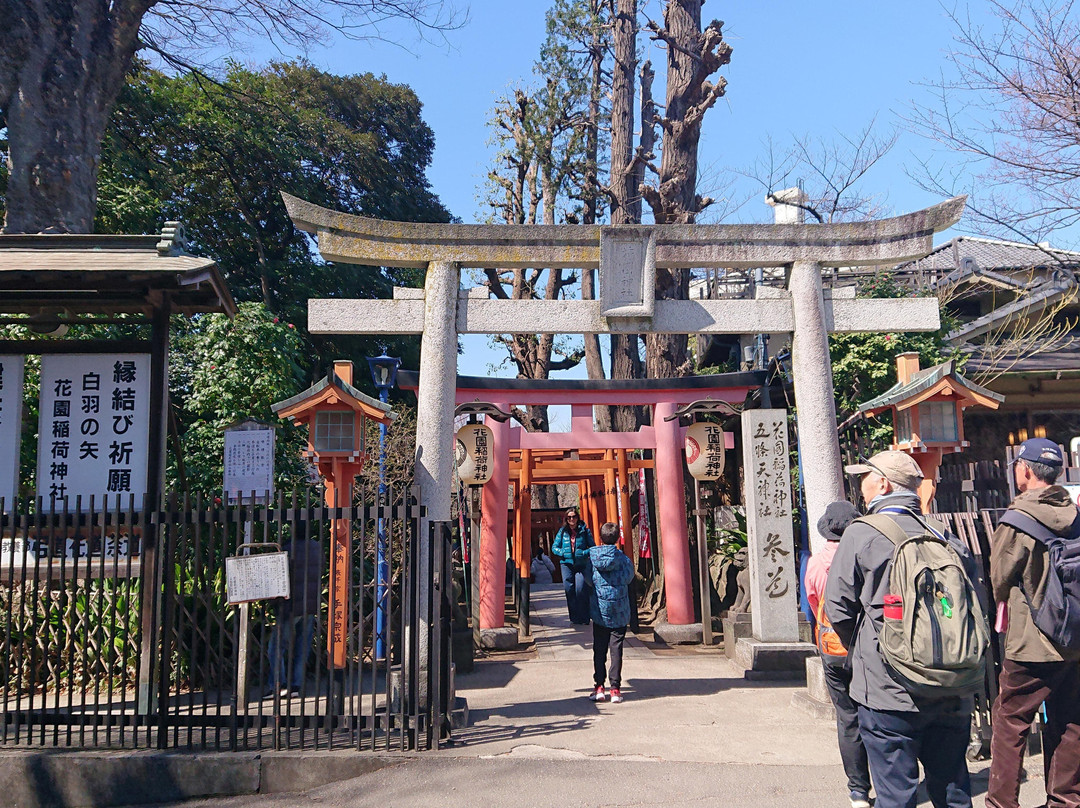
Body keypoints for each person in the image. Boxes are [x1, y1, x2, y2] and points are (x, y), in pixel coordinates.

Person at [825, 450, 977, 808]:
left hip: (887, 689)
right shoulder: (943, 534)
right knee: (953, 789)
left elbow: (837, 607)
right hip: (951, 684)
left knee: (897, 794)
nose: (861, 486)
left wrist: (869, 650)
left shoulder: (862, 533)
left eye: (866, 476)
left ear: (883, 483)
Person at [986, 438, 1080, 808]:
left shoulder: (1017, 520)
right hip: (1074, 636)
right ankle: (1065, 799)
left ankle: (1002, 802)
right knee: (1071, 718)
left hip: (1032, 639)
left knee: (1011, 720)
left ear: (1024, 470)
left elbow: (999, 579)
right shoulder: (1075, 516)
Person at [805, 499, 872, 808]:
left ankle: (858, 790)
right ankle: (888, 780)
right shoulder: (864, 556)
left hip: (831, 645)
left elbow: (813, 603)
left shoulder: (816, 564)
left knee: (847, 718)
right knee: (876, 713)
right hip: (865, 645)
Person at [269, 522, 323, 696]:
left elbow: (279, 578)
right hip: (310, 604)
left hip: (290, 606)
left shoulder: (287, 549)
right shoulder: (317, 548)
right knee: (303, 645)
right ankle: (296, 685)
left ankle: (278, 684)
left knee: (276, 647)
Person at [585, 522, 634, 703]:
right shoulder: (623, 559)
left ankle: (599, 686)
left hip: (600, 609)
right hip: (620, 609)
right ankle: (615, 688)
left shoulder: (592, 559)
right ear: (617, 539)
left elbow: (588, 580)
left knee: (599, 648)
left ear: (600, 538)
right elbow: (629, 578)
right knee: (616, 649)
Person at [552, 507, 593, 624]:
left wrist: (583, 553)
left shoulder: (584, 531)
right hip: (566, 564)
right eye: (569, 517)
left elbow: (592, 547)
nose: (571, 519)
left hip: (581, 564)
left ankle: (584, 617)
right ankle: (574, 617)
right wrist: (562, 553)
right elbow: (554, 547)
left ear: (577, 517)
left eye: (574, 516)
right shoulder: (562, 531)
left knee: (580, 589)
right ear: (566, 518)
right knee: (569, 590)